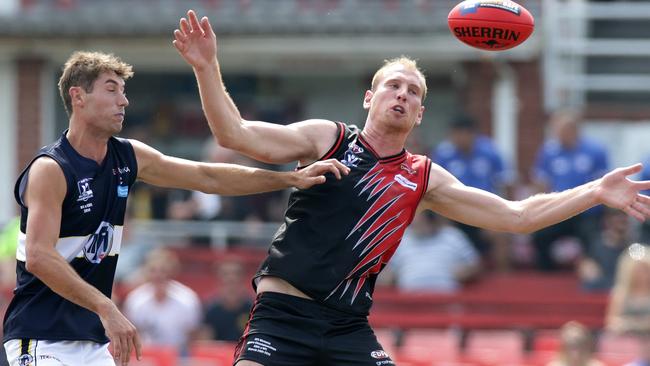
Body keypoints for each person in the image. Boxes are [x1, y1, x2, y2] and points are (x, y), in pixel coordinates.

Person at [174, 10, 650, 366]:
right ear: (369, 97)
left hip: (347, 326)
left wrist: (595, 192)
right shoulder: (327, 137)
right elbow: (233, 134)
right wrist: (205, 66)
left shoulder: (423, 175)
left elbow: (516, 216)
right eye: (392, 86)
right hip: (283, 316)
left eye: (414, 91)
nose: (402, 94)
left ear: (420, 113)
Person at [2, 51, 349, 366]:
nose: (124, 100)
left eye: (124, 90)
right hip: (39, 338)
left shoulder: (128, 156)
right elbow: (38, 256)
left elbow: (207, 176)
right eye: (112, 89)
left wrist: (289, 179)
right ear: (78, 96)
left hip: (91, 344)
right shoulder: (51, 168)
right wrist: (107, 307)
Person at [432, 114, 514, 270]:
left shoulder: (490, 151)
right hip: (452, 211)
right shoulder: (443, 154)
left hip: (484, 209)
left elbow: (506, 182)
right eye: (453, 134)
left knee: (501, 233)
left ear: (472, 134)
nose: (457, 139)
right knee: (442, 232)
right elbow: (432, 187)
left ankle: (504, 277)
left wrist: (508, 212)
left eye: (461, 134)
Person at [531, 109, 610, 271]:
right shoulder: (548, 152)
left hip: (587, 212)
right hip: (558, 209)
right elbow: (540, 182)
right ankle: (546, 275)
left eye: (565, 129)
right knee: (540, 234)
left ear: (575, 129)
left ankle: (591, 276)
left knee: (593, 238)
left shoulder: (595, 151)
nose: (561, 133)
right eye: (557, 129)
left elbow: (603, 183)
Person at [122, 248, 201, 354]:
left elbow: (193, 336)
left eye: (163, 270)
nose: (158, 275)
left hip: (178, 355)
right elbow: (131, 335)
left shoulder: (188, 299)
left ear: (172, 271)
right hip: (145, 355)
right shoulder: (135, 299)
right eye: (153, 270)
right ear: (147, 272)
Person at [382, 211, 481, 293]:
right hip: (409, 303)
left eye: (427, 218)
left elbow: (476, 266)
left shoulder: (453, 236)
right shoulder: (400, 238)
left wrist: (465, 271)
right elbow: (386, 274)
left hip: (446, 300)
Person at [605, 243, 650, 366]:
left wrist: (630, 323)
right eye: (638, 270)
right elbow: (612, 323)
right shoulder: (620, 294)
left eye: (645, 270)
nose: (642, 275)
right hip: (626, 342)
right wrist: (640, 324)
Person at [577, 208, 635, 292]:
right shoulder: (594, 243)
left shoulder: (638, 243)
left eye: (624, 216)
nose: (621, 219)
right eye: (616, 216)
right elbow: (586, 267)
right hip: (601, 289)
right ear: (607, 220)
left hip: (628, 290)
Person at [201, 260, 253, 342]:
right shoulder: (209, 310)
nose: (231, 277)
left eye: (236, 274)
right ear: (218, 280)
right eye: (225, 274)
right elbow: (205, 343)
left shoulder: (254, 309)